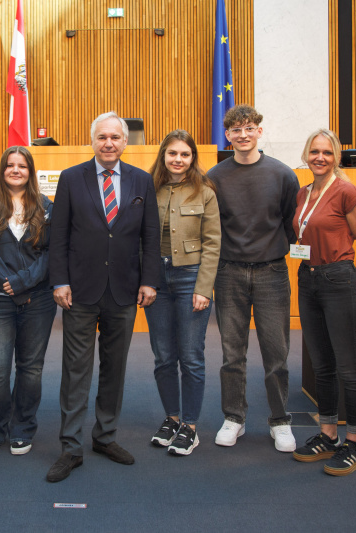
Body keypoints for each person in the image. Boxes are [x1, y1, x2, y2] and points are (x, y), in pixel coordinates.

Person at [46, 111, 161, 482]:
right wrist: (59, 280)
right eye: (102, 137)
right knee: (76, 370)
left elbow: (151, 237)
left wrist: (149, 281)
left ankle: (105, 436)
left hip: (125, 290)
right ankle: (70, 446)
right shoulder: (70, 178)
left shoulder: (142, 181)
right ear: (92, 141)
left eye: (115, 137)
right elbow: (58, 236)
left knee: (116, 368)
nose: (108, 143)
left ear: (125, 142)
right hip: (78, 291)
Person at [207, 104, 300, 452]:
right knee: (232, 354)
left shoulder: (282, 174)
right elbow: (212, 227)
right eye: (235, 130)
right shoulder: (215, 176)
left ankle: (280, 421)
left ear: (259, 131)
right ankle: (234, 417)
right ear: (227, 135)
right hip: (228, 273)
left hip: (272, 273)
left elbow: (293, 224)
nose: (242, 135)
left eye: (249, 128)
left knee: (277, 353)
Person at [291, 129, 356, 476]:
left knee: (349, 369)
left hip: (340, 279)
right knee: (322, 365)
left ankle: (353, 444)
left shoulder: (346, 191)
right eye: (314, 151)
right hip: (308, 278)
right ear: (306, 155)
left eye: (327, 152)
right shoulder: (304, 193)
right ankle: (327, 435)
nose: (320, 157)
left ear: (337, 156)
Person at [0, 146, 55, 456]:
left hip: (39, 300)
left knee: (30, 369)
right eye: (10, 165)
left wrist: (23, 282)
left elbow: (52, 252)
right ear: (2, 169)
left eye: (22, 166)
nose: (16, 170)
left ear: (30, 171)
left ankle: (22, 428)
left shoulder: (46, 206)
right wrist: (10, 283)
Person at [145, 130, 221, 456]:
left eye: (185, 154)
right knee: (163, 356)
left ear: (192, 158)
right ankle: (171, 418)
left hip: (191, 278)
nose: (178, 159)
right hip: (156, 281)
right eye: (172, 153)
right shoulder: (149, 188)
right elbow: (139, 239)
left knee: (190, 357)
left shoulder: (205, 192)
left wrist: (204, 288)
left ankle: (190, 426)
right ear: (163, 156)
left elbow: (213, 244)